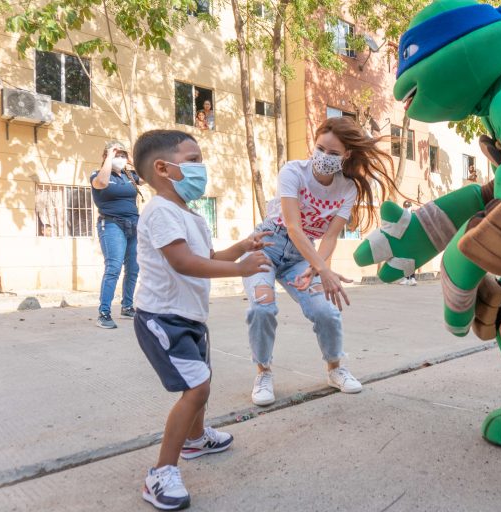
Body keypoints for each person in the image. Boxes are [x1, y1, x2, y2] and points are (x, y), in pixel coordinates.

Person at [131, 129, 272, 510]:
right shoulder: (159, 210)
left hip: (190, 316)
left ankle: (195, 440)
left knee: (202, 383)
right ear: (163, 168)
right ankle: (160, 473)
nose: (201, 167)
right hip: (163, 318)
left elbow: (206, 255)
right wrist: (241, 270)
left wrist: (241, 248)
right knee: (195, 388)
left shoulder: (188, 214)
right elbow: (183, 262)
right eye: (193, 160)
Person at [243, 116, 402, 406]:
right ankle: (263, 372)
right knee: (262, 307)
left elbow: (329, 237)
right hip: (265, 245)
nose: (324, 157)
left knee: (326, 311)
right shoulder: (293, 172)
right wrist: (323, 268)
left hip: (302, 257)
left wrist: (317, 268)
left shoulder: (347, 189)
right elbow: (292, 226)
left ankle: (335, 369)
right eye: (320, 149)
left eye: (333, 153)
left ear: (347, 156)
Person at [91, 140, 143, 329]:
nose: (119, 158)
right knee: (113, 267)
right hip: (112, 224)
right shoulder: (97, 175)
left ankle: (127, 306)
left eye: (122, 155)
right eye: (116, 155)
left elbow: (148, 177)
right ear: (106, 156)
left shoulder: (130, 176)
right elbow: (103, 182)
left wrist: (130, 160)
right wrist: (110, 156)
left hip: (134, 225)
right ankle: (104, 313)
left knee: (134, 268)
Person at [398, 200, 417, 286]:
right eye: (405, 207)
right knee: (404, 259)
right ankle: (406, 278)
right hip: (404, 239)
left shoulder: (414, 215)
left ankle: (412, 278)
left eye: (408, 207)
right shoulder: (402, 216)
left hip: (412, 240)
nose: (406, 208)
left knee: (412, 259)